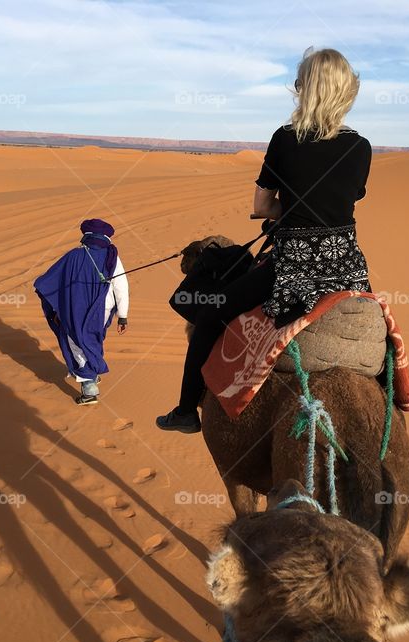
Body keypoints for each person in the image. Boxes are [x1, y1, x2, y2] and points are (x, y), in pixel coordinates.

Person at [156, 47, 373, 433]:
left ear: (304, 89)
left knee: (209, 315)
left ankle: (186, 411)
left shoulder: (285, 139)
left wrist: (287, 211)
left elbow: (261, 206)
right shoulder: (361, 147)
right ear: (347, 92)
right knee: (379, 332)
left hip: (291, 266)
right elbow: (346, 202)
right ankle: (393, 401)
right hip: (347, 269)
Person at [34, 218, 129, 404]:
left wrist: (48, 295)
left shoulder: (73, 256)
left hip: (76, 309)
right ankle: (92, 371)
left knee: (76, 341)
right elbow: (121, 287)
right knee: (91, 339)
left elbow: (50, 281)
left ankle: (89, 388)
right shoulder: (112, 257)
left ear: (86, 235)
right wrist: (123, 316)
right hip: (103, 310)